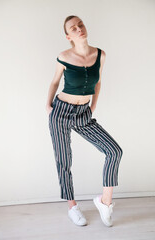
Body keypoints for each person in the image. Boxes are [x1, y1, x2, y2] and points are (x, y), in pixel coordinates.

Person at [46, 15, 123, 227]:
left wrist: (93, 106)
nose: (79, 29)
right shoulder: (63, 56)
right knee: (64, 160)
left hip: (84, 114)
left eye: (81, 24)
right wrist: (48, 106)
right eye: (73, 28)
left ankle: (105, 202)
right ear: (68, 36)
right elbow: (54, 82)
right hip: (61, 111)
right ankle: (72, 207)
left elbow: (98, 83)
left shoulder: (100, 55)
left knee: (114, 151)